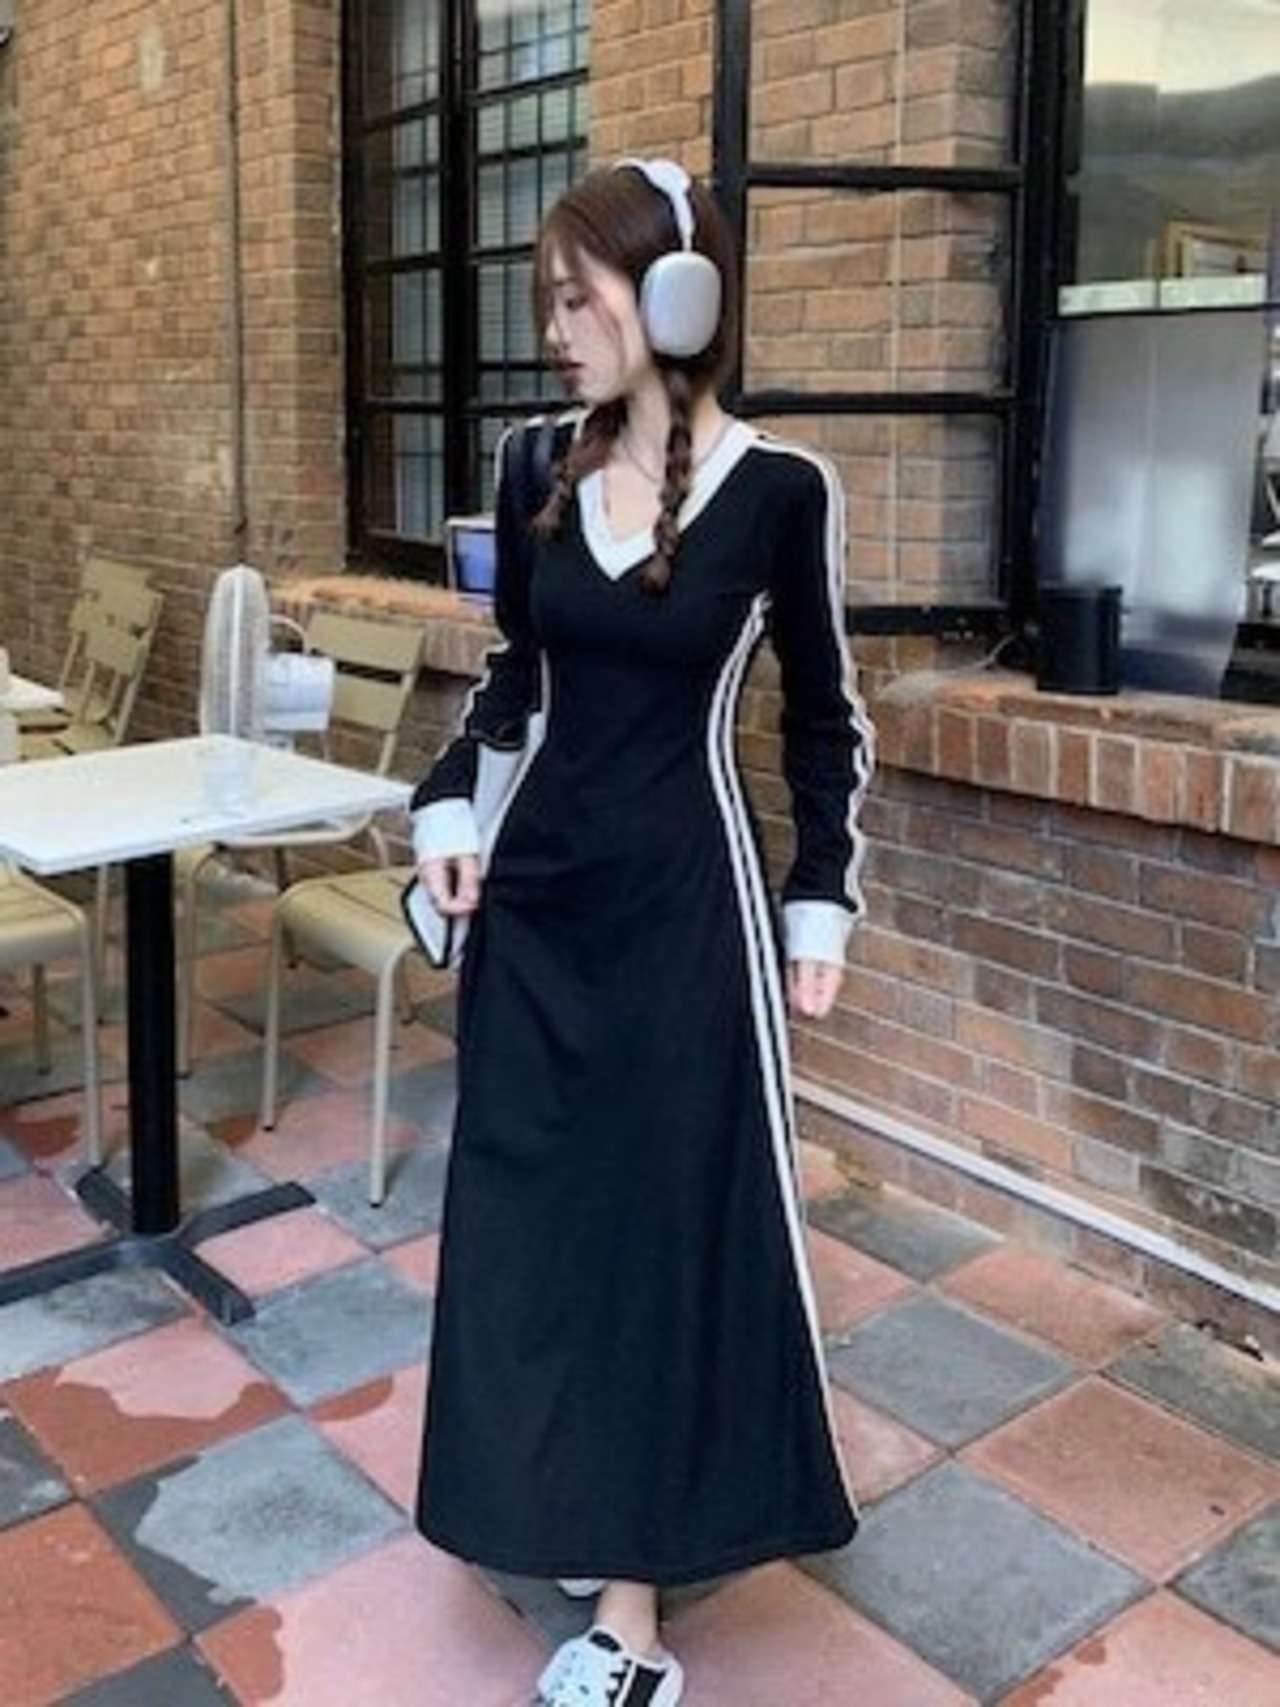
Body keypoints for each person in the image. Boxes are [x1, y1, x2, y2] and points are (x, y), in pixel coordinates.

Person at [410, 157, 874, 1707]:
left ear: (675, 300)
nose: (553, 331)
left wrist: (822, 898)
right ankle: (545, 1493)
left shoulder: (781, 493)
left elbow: (826, 722)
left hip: (686, 917)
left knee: (658, 1233)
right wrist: (449, 809)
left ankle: (631, 1619)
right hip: (538, 910)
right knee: (530, 1218)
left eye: (576, 298)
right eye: (546, 302)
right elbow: (512, 679)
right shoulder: (532, 464)